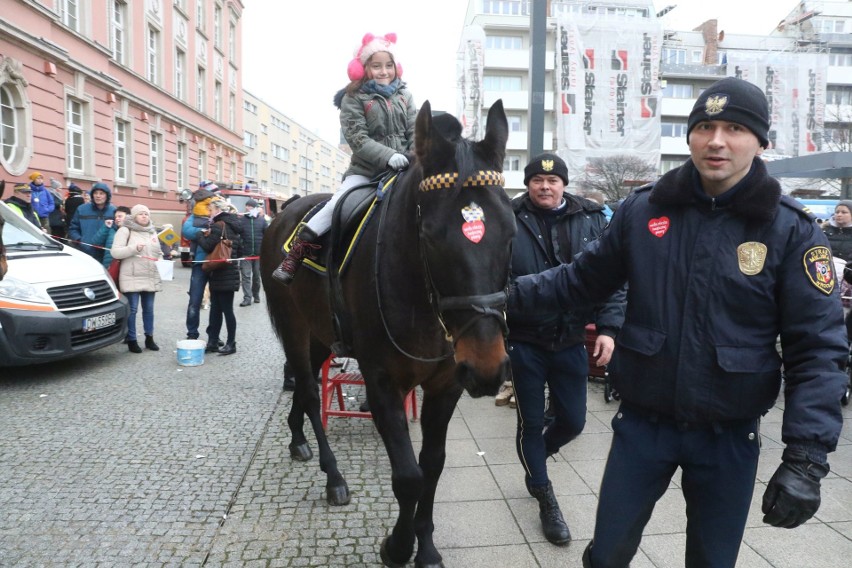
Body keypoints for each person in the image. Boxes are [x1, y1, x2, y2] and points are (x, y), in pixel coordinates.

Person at [508, 77, 848, 568]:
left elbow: (817, 348)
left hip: (728, 435)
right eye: (705, 126)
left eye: (734, 128)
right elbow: (580, 281)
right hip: (643, 425)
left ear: (760, 141)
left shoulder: (790, 228)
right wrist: (502, 299)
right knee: (606, 556)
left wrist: (806, 460)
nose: (716, 140)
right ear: (689, 136)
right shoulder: (642, 211)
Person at [507, 154, 625, 546]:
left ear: (563, 184)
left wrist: (608, 328)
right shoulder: (507, 218)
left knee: (573, 421)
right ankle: (544, 495)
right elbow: (494, 279)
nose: (545, 186)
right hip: (525, 339)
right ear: (528, 184)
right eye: (537, 179)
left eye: (553, 179)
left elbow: (614, 277)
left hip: (571, 338)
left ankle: (535, 456)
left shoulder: (592, 218)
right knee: (530, 421)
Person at [271, 32, 416, 284]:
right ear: (364, 68)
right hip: (366, 170)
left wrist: (412, 156)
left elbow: (415, 129)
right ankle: (297, 251)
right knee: (337, 204)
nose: (384, 71)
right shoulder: (353, 98)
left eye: (388, 65)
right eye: (377, 65)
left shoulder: (405, 95)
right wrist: (388, 156)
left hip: (403, 169)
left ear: (396, 67)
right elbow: (357, 139)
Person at [110, 204, 163, 354]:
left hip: (149, 275)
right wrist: (133, 248)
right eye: (141, 214)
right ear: (133, 216)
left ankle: (149, 337)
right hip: (131, 275)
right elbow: (115, 252)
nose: (144, 216)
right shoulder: (125, 230)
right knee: (132, 310)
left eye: (146, 214)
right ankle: (132, 339)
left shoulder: (152, 231)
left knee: (149, 309)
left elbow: (157, 251)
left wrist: (162, 258)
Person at [197, 197, 243, 355]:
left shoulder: (219, 225)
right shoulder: (233, 225)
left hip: (221, 273)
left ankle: (231, 343)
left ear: (217, 210)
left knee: (224, 310)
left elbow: (208, 245)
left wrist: (200, 235)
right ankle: (214, 342)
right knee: (217, 309)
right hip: (227, 271)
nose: (209, 213)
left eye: (210, 210)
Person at [181, 185, 220, 340]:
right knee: (194, 300)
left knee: (216, 304)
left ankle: (214, 336)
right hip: (199, 263)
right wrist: (202, 233)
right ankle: (192, 334)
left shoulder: (218, 215)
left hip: (216, 262)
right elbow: (186, 231)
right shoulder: (194, 216)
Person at [68, 182, 117, 262]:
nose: (98, 196)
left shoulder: (113, 211)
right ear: (92, 195)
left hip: (105, 254)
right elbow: (73, 229)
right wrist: (80, 241)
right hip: (85, 253)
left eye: (101, 193)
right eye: (95, 193)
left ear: (107, 196)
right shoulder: (81, 209)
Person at [239, 198, 266, 306]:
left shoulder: (262, 220)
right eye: (246, 206)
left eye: (249, 206)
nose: (247, 208)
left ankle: (256, 294)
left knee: (256, 277)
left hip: (258, 254)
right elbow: (238, 235)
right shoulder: (241, 220)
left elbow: (267, 235)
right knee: (245, 276)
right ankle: (247, 298)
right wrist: (240, 245)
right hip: (245, 253)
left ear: (254, 208)